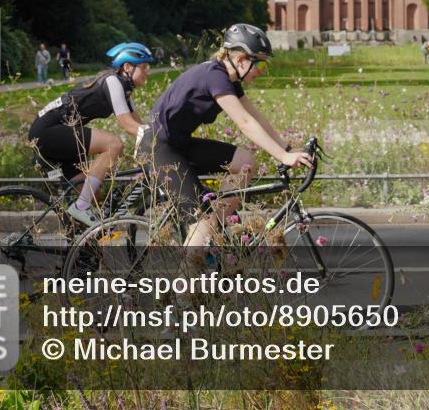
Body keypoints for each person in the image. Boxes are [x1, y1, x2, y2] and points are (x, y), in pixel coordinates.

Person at [149, 24, 312, 249]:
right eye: (261, 63)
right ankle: (186, 279)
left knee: (245, 162)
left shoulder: (229, 79)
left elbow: (256, 116)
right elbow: (244, 122)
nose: (262, 71)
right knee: (202, 221)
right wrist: (282, 157)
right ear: (243, 59)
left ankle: (214, 225)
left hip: (180, 143)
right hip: (159, 147)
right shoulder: (215, 76)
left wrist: (287, 148)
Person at [29, 42, 153, 226]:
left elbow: (139, 126)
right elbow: (127, 125)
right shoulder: (112, 82)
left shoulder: (124, 90)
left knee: (92, 194)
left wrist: (158, 138)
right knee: (114, 144)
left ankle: (82, 246)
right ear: (127, 67)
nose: (147, 72)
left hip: (58, 132)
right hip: (47, 131)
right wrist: (157, 138)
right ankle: (81, 207)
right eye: (144, 67)